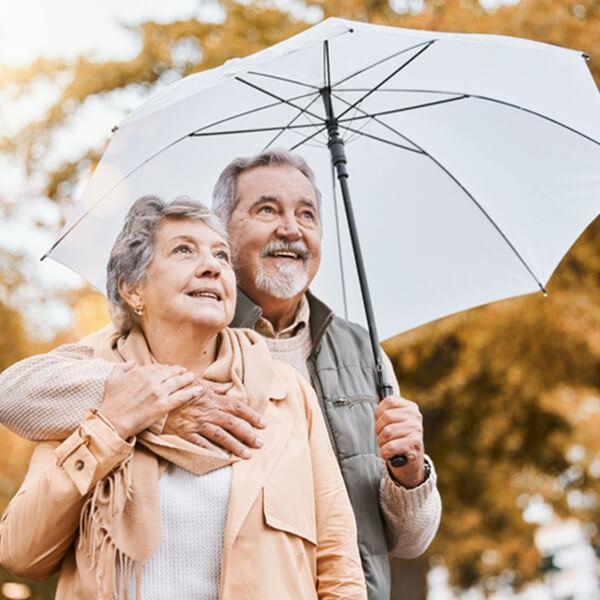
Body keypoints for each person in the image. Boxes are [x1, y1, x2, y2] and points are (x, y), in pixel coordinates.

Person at [0, 149, 441, 600]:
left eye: (306, 214)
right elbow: (15, 396)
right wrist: (139, 408)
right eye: (267, 209)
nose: (291, 227)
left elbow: (386, 546)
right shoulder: (120, 354)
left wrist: (411, 476)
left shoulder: (349, 361)